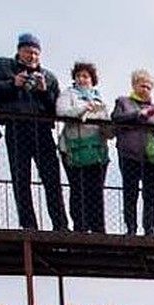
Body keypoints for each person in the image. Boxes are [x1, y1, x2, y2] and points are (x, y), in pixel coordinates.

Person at [0, 33, 68, 231]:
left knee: (52, 178)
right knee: (20, 178)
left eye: (35, 53)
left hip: (41, 130)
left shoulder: (48, 77)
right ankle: (29, 224)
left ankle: (61, 225)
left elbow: (56, 109)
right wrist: (13, 83)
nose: (32, 56)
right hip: (16, 126)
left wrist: (43, 90)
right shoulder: (3, 66)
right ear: (19, 51)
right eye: (28, 52)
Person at [56, 60, 110, 234]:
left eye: (86, 76)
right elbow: (62, 113)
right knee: (78, 189)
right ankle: (80, 226)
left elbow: (107, 130)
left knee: (96, 191)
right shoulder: (68, 95)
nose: (82, 79)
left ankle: (98, 228)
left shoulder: (99, 98)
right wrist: (84, 109)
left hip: (96, 151)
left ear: (92, 79)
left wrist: (105, 124)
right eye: (79, 76)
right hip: (74, 149)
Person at [112, 69, 154, 237]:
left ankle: (149, 229)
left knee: (150, 195)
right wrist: (138, 115)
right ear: (134, 85)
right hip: (129, 154)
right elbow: (116, 119)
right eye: (142, 86)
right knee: (131, 192)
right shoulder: (123, 102)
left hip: (150, 157)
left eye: (149, 87)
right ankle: (131, 228)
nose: (145, 90)